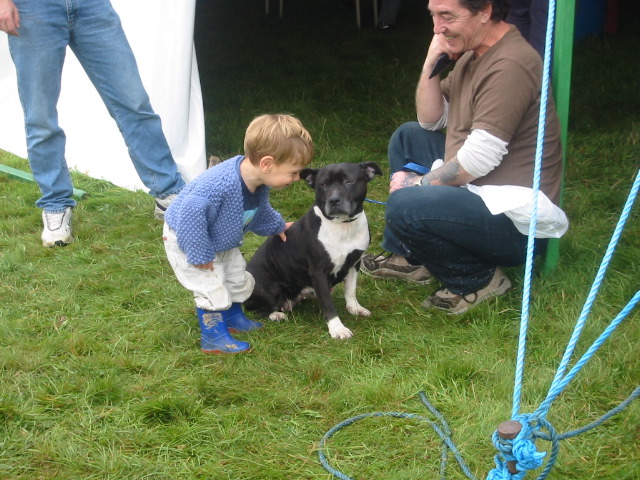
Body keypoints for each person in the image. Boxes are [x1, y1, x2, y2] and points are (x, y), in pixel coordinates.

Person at [361, 0, 568, 314]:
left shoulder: (510, 64)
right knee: (409, 135)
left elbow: (477, 161)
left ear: (485, 11)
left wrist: (417, 185)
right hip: (480, 192)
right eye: (433, 15)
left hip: (515, 223)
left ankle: (476, 280)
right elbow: (431, 119)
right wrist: (432, 60)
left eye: (447, 16)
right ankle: (414, 257)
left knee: (406, 204)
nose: (437, 27)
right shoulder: (474, 53)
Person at [0, 0, 186, 248]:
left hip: (91, 5)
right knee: (40, 116)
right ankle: (55, 204)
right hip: (32, 8)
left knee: (134, 103)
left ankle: (167, 193)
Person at [163, 114, 314, 354]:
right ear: (267, 164)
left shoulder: (257, 182)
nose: (297, 178)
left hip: (220, 238)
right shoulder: (220, 184)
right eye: (294, 172)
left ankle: (233, 318)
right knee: (209, 283)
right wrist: (199, 253)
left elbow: (259, 211)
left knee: (236, 275)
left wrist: (278, 226)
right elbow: (190, 212)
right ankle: (213, 336)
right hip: (188, 238)